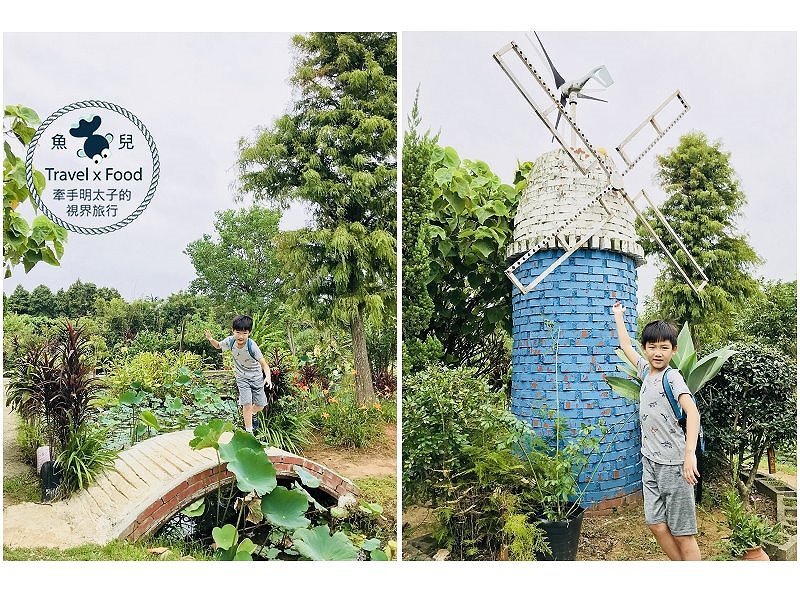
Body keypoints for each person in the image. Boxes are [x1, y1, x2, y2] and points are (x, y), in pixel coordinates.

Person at [612, 302, 701, 561]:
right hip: (649, 461)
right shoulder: (644, 371)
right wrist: (619, 316)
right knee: (656, 525)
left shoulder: (673, 378)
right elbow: (626, 346)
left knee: (684, 534)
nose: (658, 352)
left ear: (674, 350)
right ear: (646, 349)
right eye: (652, 347)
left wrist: (689, 454)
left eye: (664, 347)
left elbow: (692, 412)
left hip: (675, 465)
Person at [205, 315, 272, 434]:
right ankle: (249, 432)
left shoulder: (252, 346)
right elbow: (218, 346)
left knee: (260, 404)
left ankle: (253, 413)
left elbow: (264, 364)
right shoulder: (230, 341)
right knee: (246, 404)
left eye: (244, 333)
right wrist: (211, 339)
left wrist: (268, 377)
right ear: (233, 331)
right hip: (241, 377)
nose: (241, 336)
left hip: (256, 377)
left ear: (249, 333)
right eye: (238, 332)